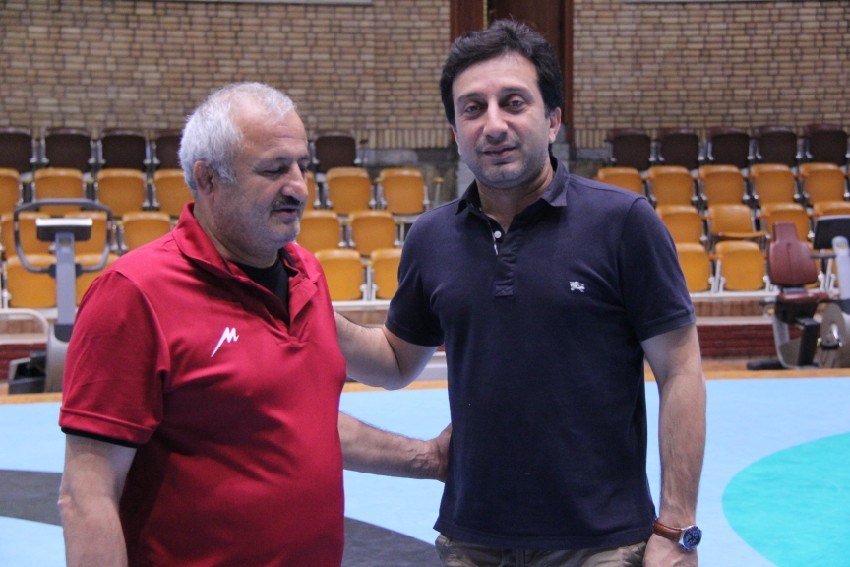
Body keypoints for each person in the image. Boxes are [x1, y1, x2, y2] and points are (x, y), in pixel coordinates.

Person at [335, 20, 706, 566]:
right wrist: (313, 313)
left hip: (602, 544)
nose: (494, 125)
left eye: (513, 103)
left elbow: (680, 371)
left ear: (552, 119)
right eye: (473, 109)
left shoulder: (623, 222)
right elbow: (394, 362)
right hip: (472, 539)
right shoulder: (431, 237)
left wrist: (676, 528)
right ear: (455, 130)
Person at [58, 82, 449, 567]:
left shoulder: (305, 274)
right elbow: (87, 494)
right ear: (207, 178)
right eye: (274, 169)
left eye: (302, 165)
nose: (298, 187)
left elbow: (294, 422)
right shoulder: (134, 294)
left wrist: (429, 459)